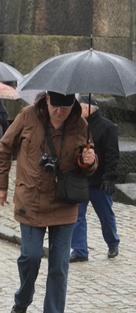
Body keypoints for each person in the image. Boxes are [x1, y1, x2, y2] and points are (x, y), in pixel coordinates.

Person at [0, 91, 97, 313]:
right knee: (30, 256)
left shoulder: (81, 124)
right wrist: (0, 184)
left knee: (59, 266)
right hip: (31, 200)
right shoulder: (27, 116)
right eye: (55, 106)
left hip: (64, 203)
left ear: (73, 104)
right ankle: (23, 299)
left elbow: (87, 161)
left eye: (66, 107)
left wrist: (90, 161)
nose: (59, 112)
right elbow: (3, 149)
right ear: (47, 99)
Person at [70, 95, 120, 262]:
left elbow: (113, 155)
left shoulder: (107, 127)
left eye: (79, 107)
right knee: (77, 215)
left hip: (100, 182)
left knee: (105, 215)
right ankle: (79, 250)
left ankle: (113, 243)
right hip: (81, 180)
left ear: (87, 108)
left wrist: (109, 178)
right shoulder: (77, 127)